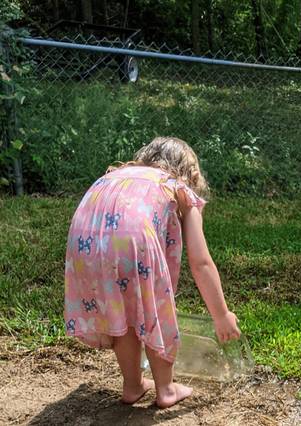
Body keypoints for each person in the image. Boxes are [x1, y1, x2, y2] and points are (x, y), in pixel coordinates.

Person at [64, 136, 240, 408]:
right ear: (190, 173)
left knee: (121, 313)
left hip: (83, 243)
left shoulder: (115, 175)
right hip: (131, 242)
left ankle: (132, 385)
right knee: (154, 309)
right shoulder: (178, 187)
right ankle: (166, 389)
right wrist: (222, 315)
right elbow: (200, 261)